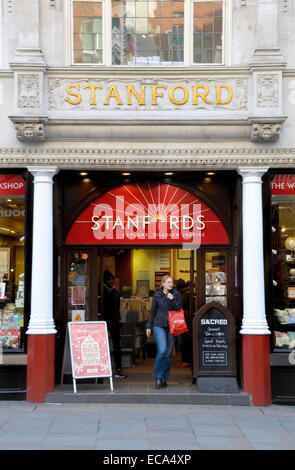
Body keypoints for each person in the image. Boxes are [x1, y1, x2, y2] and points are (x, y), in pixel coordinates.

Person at [145, 274, 182, 389]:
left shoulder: (176, 294)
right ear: (163, 284)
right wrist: (148, 326)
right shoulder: (157, 295)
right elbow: (152, 311)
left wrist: (172, 299)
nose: (171, 284)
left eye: (172, 282)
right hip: (159, 325)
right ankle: (158, 377)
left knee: (168, 354)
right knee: (162, 351)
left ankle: (164, 378)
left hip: (172, 326)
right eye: (168, 282)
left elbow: (178, 307)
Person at [103, 270, 127, 379]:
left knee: (117, 345)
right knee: (108, 345)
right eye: (109, 279)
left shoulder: (114, 292)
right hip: (105, 321)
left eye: (112, 279)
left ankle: (118, 368)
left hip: (114, 321)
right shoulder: (104, 291)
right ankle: (105, 368)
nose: (111, 281)